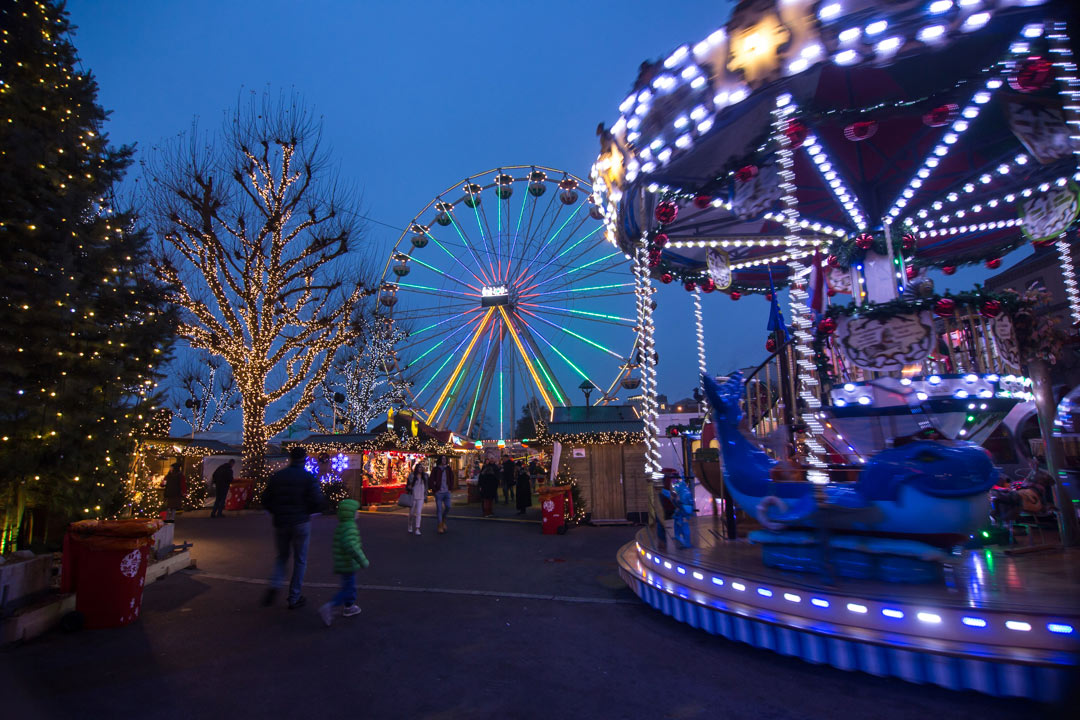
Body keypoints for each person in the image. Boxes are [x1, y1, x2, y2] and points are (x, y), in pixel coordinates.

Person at [262, 446, 325, 610]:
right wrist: (308, 511)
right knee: (300, 560)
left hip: (281, 522)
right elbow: (318, 500)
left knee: (282, 557)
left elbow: (266, 498)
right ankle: (294, 597)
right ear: (304, 459)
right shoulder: (308, 477)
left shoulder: (277, 476)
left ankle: (275, 584)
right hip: (301, 522)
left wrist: (276, 512)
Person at [319, 498, 369, 627]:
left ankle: (349, 607)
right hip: (348, 563)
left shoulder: (342, 525)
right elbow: (351, 546)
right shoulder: (350, 527)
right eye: (356, 511)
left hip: (343, 562)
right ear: (350, 513)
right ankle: (330, 606)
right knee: (348, 589)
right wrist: (362, 560)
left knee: (348, 586)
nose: (358, 513)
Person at [429, 456, 456, 534]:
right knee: (439, 509)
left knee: (448, 506)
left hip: (447, 491)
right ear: (440, 460)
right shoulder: (436, 469)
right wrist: (435, 490)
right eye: (443, 459)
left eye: (445, 459)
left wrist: (450, 488)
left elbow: (452, 478)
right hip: (439, 492)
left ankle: (443, 519)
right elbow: (431, 479)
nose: (444, 460)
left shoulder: (448, 469)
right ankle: (440, 525)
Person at [405, 461, 428, 535]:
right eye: (419, 468)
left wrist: (426, 495)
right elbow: (408, 486)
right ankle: (410, 524)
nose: (420, 469)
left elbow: (426, 486)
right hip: (413, 496)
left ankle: (417, 528)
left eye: (421, 468)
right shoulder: (412, 476)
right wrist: (409, 487)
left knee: (418, 513)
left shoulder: (425, 476)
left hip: (421, 496)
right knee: (411, 513)